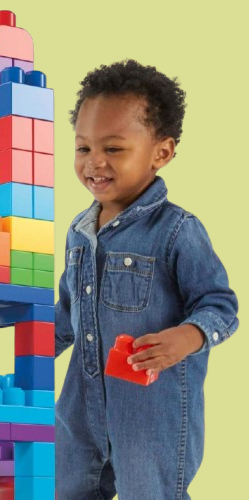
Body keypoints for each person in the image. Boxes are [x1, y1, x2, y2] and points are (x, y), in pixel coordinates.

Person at [55, 60, 239, 499]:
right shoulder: (79, 232)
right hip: (80, 407)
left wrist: (188, 337)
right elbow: (66, 313)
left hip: (149, 412)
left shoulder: (177, 230)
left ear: (161, 153)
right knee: (64, 488)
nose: (94, 162)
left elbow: (220, 304)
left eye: (113, 148)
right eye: (83, 148)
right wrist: (15, 345)